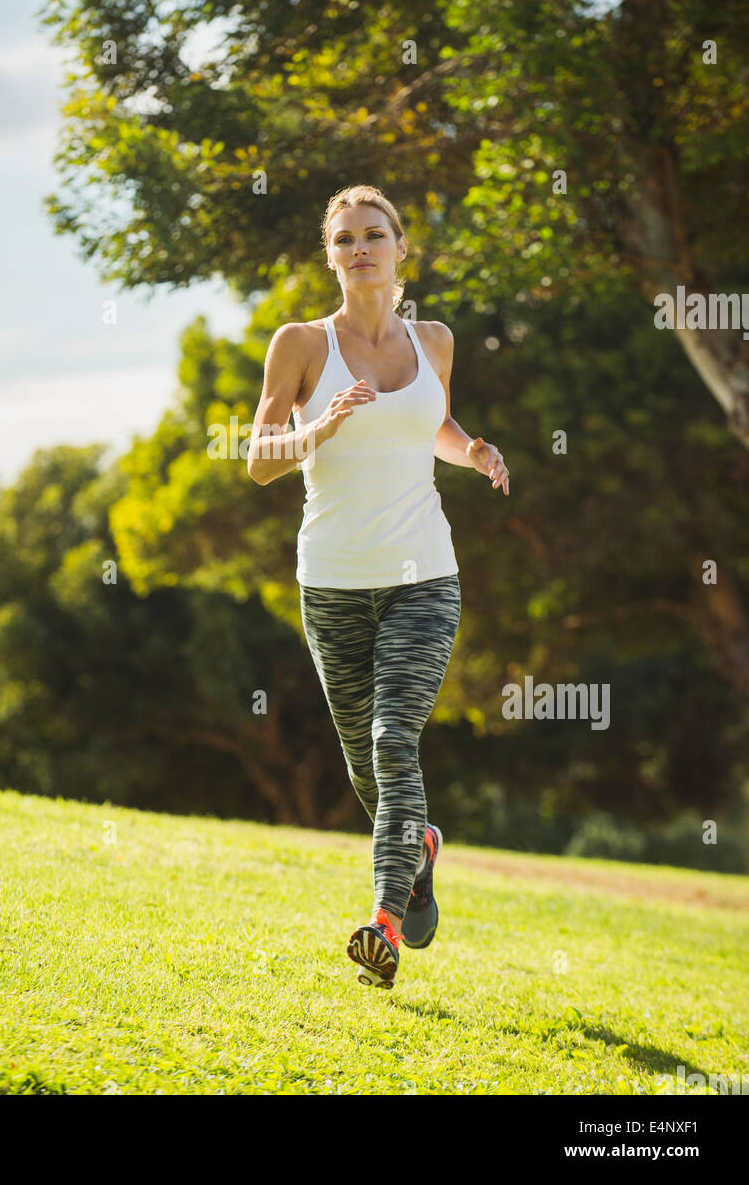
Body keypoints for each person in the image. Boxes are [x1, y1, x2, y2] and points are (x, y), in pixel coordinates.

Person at [247, 183, 509, 989]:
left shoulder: (434, 340)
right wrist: (318, 427)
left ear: (400, 248)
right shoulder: (298, 343)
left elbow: (430, 425)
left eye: (373, 234)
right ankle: (419, 846)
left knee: (395, 741)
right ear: (329, 255)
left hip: (422, 574)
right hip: (330, 581)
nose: (359, 248)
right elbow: (257, 459)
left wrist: (471, 452)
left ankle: (382, 925)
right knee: (367, 765)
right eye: (343, 238)